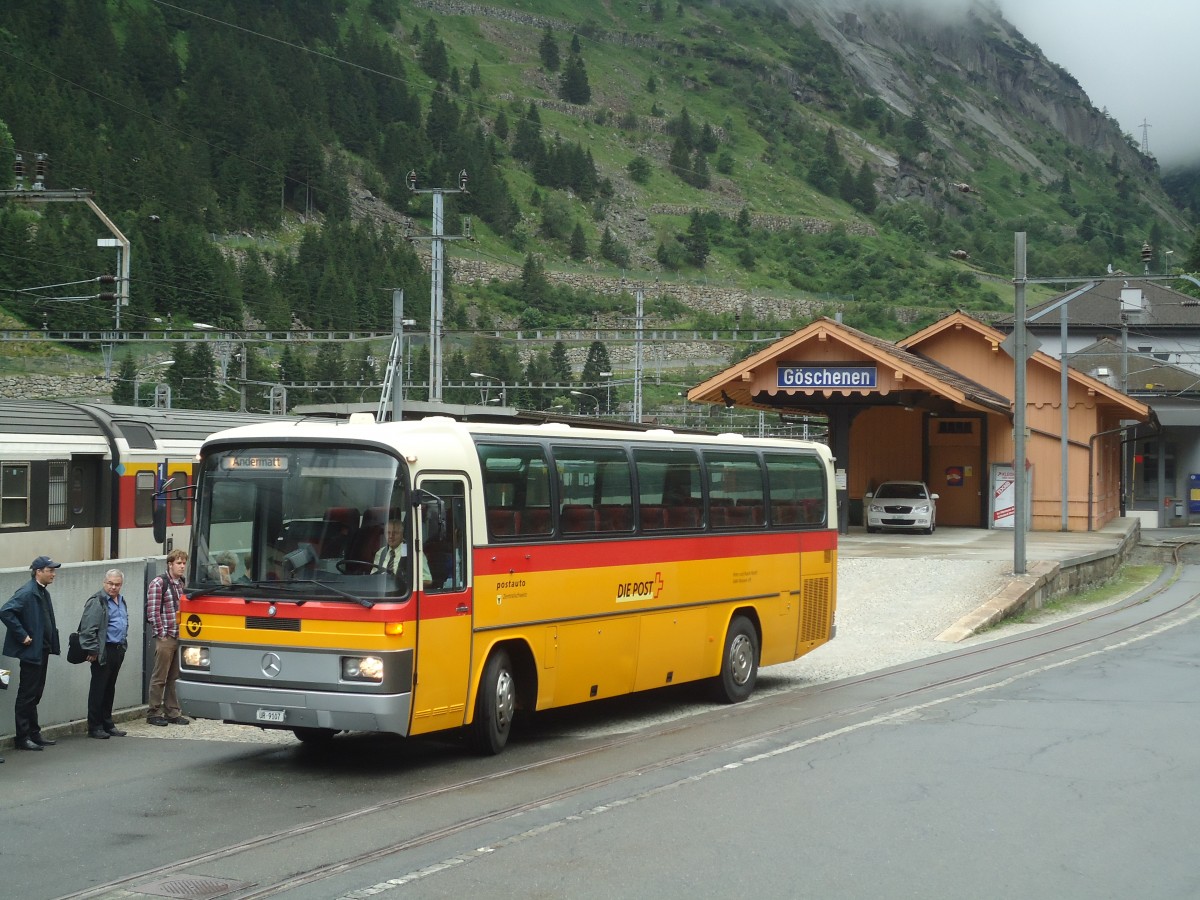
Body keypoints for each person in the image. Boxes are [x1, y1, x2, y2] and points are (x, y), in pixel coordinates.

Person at [0, 556, 62, 752]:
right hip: (32, 652)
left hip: (42, 650)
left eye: (53, 570)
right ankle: (22, 737)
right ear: (38, 572)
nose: (53, 574)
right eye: (50, 570)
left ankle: (34, 733)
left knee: (35, 693)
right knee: (27, 694)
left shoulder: (41, 591)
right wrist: (22, 635)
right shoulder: (27, 592)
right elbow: (6, 611)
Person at [77, 568, 130, 739]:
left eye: (117, 584)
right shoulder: (97, 601)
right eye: (110, 583)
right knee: (98, 689)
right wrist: (92, 650)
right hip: (103, 650)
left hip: (117, 649)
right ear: (104, 582)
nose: (113, 587)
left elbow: (123, 621)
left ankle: (108, 723)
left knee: (109, 688)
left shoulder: (121, 600)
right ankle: (95, 726)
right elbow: (88, 629)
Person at [146, 549, 189, 726]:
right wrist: (161, 634)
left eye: (184, 563)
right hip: (167, 636)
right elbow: (153, 611)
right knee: (160, 676)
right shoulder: (159, 583)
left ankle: (172, 711)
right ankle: (153, 712)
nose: (182, 566)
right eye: (179, 563)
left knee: (174, 677)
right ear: (170, 564)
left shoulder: (182, 583)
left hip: (180, 636)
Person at [373, 509, 432, 588]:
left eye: (395, 533)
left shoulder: (413, 552)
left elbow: (427, 580)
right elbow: (373, 577)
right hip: (382, 593)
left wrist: (406, 587)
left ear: (402, 534)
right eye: (388, 533)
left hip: (403, 594)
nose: (390, 536)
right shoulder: (380, 553)